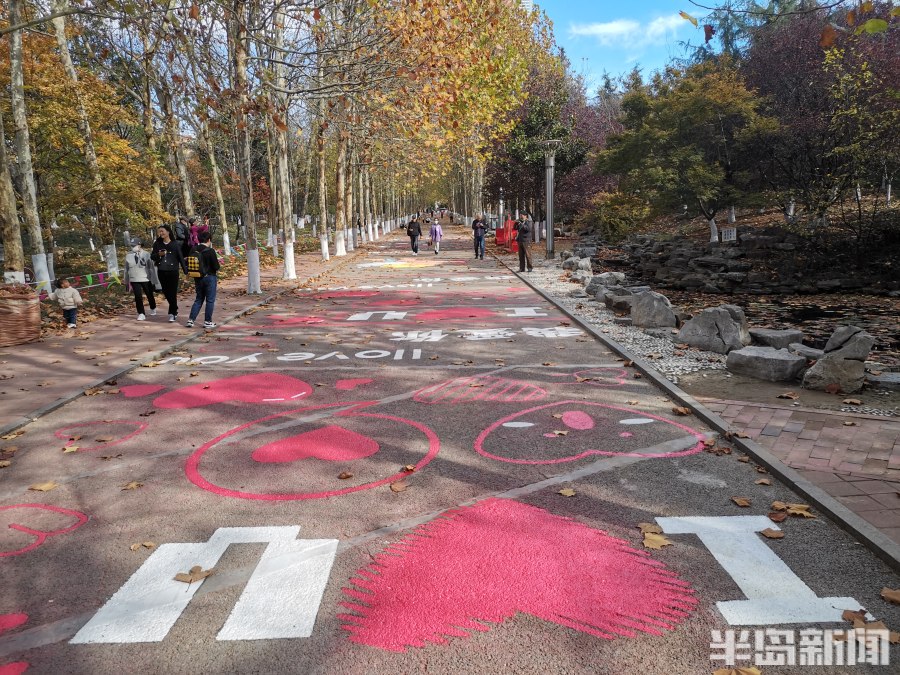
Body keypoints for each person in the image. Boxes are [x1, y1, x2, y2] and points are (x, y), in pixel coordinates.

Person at [185, 231, 221, 329]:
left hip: (197, 277)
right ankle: (207, 321)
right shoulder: (210, 251)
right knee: (210, 300)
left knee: (199, 299)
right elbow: (216, 266)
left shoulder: (193, 249)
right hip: (210, 277)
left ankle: (191, 320)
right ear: (209, 240)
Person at [151, 224, 187, 322]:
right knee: (166, 292)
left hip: (173, 271)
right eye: (160, 232)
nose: (161, 233)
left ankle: (172, 313)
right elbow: (152, 257)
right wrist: (159, 254)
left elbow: (180, 257)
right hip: (162, 270)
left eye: (162, 231)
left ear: (168, 232)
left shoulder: (175, 244)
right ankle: (174, 307)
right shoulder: (157, 244)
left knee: (172, 292)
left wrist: (185, 271)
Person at [124, 237, 157, 321]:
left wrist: (154, 280)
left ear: (139, 245)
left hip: (145, 278)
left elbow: (151, 268)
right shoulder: (128, 255)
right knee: (138, 297)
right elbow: (126, 269)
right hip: (134, 279)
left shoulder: (146, 254)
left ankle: (153, 307)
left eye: (134, 245)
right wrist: (126, 282)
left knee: (149, 295)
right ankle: (141, 313)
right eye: (131, 246)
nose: (133, 247)